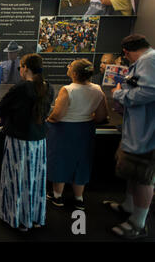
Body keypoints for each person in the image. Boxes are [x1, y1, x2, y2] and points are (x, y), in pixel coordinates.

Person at [103, 34, 155, 240]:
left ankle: (138, 223)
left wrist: (118, 94)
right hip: (138, 131)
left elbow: (148, 92)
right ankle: (129, 206)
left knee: (143, 177)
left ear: (126, 52)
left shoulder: (149, 61)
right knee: (133, 172)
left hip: (147, 134)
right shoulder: (145, 61)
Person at [0, 53, 54, 231]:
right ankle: (35, 217)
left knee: (17, 178)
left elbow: (2, 108)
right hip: (39, 142)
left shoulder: (21, 88)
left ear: (26, 68)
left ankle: (18, 219)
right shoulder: (48, 87)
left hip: (18, 142)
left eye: (21, 67)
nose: (20, 70)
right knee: (35, 179)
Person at [46, 59, 108, 210]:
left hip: (63, 130)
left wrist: (48, 119)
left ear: (74, 73)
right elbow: (101, 116)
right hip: (85, 129)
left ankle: (57, 196)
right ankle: (79, 198)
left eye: (70, 66)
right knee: (82, 161)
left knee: (60, 159)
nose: (68, 67)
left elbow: (58, 114)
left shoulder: (68, 89)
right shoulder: (98, 89)